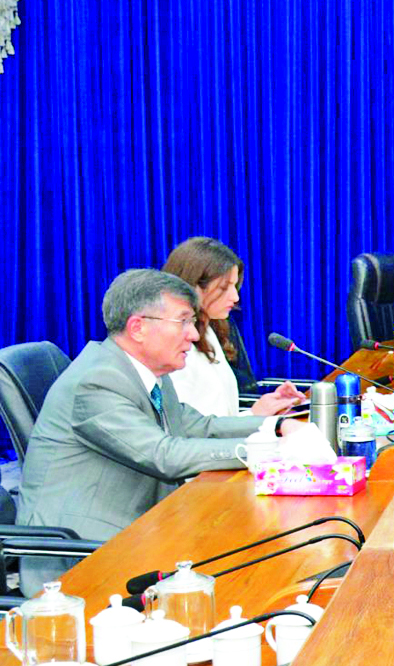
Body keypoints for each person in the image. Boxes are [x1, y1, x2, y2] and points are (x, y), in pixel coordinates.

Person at [17, 269, 307, 594]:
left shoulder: (148, 371)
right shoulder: (96, 381)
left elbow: (200, 426)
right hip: (83, 555)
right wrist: (273, 451)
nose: (193, 335)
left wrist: (278, 426)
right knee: (245, 571)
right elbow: (164, 455)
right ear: (138, 327)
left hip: (143, 526)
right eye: (183, 322)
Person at [162, 236, 305, 418]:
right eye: (224, 288)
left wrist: (262, 409)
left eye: (234, 286)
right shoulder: (174, 348)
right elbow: (189, 429)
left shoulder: (209, 330)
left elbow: (221, 419)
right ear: (193, 286)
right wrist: (256, 417)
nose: (235, 297)